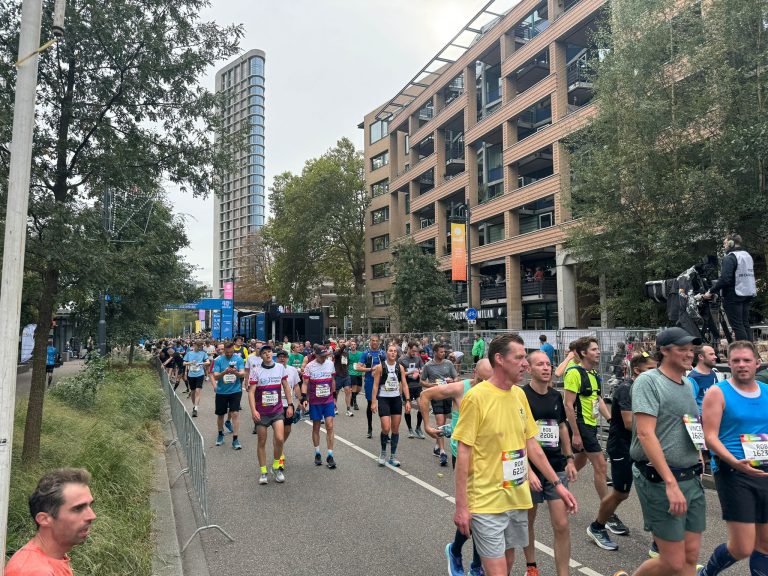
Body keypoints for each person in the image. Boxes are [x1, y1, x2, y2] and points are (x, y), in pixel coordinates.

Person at [452, 334, 578, 576]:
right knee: (498, 571)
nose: (525, 364)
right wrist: (461, 506)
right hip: (486, 501)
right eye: (519, 357)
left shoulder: (519, 395)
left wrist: (557, 483)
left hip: (516, 497)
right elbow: (464, 453)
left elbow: (530, 443)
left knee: (508, 565)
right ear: (499, 359)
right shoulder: (476, 397)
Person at [617, 327, 706, 576]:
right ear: (664, 351)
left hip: (691, 476)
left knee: (690, 557)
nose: (690, 354)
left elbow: (690, 424)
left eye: (691, 349)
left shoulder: (688, 384)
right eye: (682, 349)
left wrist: (698, 457)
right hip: (661, 479)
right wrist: (670, 482)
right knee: (672, 561)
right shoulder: (648, 381)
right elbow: (645, 433)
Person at [698, 340, 768, 576]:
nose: (741, 365)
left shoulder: (767, 391)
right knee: (742, 546)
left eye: (746, 360)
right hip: (733, 471)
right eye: (736, 360)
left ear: (757, 363)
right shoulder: (718, 393)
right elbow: (710, 436)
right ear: (728, 363)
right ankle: (706, 573)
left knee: (766, 544)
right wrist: (733, 461)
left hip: (764, 470)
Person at [420, 359, 493, 576]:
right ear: (475, 376)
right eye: (482, 379)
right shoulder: (461, 388)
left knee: (486, 513)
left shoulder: (498, 389)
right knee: (476, 513)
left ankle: (472, 563)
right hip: (463, 454)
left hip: (489, 456)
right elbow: (425, 396)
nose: (485, 384)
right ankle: (458, 552)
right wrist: (427, 425)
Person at [587, 352, 657, 552]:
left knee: (654, 492)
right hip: (622, 447)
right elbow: (629, 423)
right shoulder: (626, 389)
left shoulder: (651, 388)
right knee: (621, 493)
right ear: (637, 370)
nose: (655, 374)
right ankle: (598, 526)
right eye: (651, 369)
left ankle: (659, 542)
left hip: (643, 447)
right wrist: (660, 426)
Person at [522, 351, 577, 576]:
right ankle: (531, 566)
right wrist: (527, 471)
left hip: (555, 466)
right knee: (528, 520)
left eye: (548, 364)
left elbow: (561, 426)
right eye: (540, 364)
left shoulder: (556, 396)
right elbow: (515, 435)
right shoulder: (521, 396)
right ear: (529, 369)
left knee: (562, 525)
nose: (546, 368)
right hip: (530, 469)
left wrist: (570, 458)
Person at [5, 468, 96, 576]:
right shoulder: (34, 571)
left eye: (90, 505)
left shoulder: (53, 558)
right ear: (44, 519)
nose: (92, 516)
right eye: (78, 508)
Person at [564, 337, 613, 507]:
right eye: (593, 349)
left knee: (581, 461)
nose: (598, 352)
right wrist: (576, 434)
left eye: (597, 349)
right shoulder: (574, 373)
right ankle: (607, 511)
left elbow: (597, 399)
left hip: (591, 425)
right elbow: (568, 405)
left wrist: (610, 419)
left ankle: (556, 484)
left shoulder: (592, 374)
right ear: (583, 353)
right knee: (601, 465)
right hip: (581, 425)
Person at [248, 345, 293, 485]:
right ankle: (263, 472)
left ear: (272, 354)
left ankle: (276, 467)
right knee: (262, 441)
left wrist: (290, 404)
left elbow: (285, 386)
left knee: (279, 439)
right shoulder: (256, 370)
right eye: (264, 353)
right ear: (260, 356)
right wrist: (253, 410)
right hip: (262, 412)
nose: (267, 354)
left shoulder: (280, 367)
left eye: (269, 352)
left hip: (277, 410)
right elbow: (251, 392)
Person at [704, 233, 756, 341]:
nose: (724, 245)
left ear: (731, 243)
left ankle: (743, 352)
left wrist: (711, 291)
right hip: (747, 293)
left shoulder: (730, 257)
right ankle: (750, 353)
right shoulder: (747, 256)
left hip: (734, 294)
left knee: (737, 326)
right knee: (745, 324)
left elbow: (725, 279)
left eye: (725, 243)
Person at [371, 343, 409, 467]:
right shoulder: (380, 367)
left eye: (395, 351)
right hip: (383, 399)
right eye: (390, 351)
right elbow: (375, 385)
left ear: (397, 354)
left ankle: (392, 456)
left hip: (396, 400)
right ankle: (382, 453)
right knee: (386, 428)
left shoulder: (400, 367)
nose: (393, 353)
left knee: (396, 429)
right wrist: (373, 402)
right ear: (386, 353)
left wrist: (407, 400)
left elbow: (404, 384)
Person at [301, 345, 337, 469]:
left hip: (328, 400)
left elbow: (332, 380)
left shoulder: (330, 364)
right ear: (315, 355)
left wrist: (334, 395)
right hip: (315, 401)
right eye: (321, 356)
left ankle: (330, 455)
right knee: (316, 427)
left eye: (325, 356)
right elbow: (305, 383)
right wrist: (304, 398)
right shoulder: (310, 366)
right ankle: (317, 453)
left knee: (330, 426)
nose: (323, 358)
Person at [422, 343, 458, 467]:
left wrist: (452, 381)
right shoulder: (428, 365)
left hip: (448, 396)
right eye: (441, 352)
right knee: (440, 422)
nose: (443, 354)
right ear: (435, 352)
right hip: (436, 397)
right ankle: (443, 452)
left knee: (449, 422)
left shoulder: (448, 363)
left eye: (444, 352)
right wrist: (432, 386)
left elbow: (456, 378)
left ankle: (437, 445)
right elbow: (422, 380)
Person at [211, 341, 246, 450]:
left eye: (231, 352)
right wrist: (224, 373)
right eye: (227, 352)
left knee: (235, 413)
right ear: (223, 350)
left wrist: (235, 372)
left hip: (235, 391)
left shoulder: (238, 359)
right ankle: (220, 433)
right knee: (221, 415)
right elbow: (216, 376)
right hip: (222, 392)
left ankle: (235, 439)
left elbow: (243, 373)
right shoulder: (219, 360)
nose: (229, 354)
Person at [354, 335, 387, 439]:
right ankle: (370, 428)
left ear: (379, 342)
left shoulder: (382, 353)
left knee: (383, 405)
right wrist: (370, 369)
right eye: (373, 341)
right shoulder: (366, 353)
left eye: (376, 341)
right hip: (370, 382)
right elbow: (358, 367)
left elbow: (388, 365)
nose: (374, 342)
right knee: (370, 404)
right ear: (370, 342)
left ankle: (385, 431)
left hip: (382, 382)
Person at [276, 349, 301, 469]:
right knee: (278, 432)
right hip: (275, 404)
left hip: (288, 404)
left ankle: (279, 446)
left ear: (287, 358)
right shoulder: (272, 369)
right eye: (280, 356)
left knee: (288, 430)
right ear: (276, 358)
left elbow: (296, 385)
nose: (282, 358)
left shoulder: (292, 370)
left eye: (284, 357)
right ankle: (279, 455)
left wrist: (301, 400)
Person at [400, 342, 425, 439]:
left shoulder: (418, 358)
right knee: (408, 409)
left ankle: (418, 428)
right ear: (408, 349)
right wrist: (410, 372)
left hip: (417, 386)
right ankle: (410, 429)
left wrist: (419, 371)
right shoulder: (402, 359)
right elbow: (400, 374)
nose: (414, 353)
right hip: (407, 387)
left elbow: (423, 368)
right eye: (413, 350)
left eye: (416, 351)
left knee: (422, 407)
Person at [687, 345, 719, 414]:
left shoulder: (712, 373)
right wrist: (695, 424)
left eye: (714, 354)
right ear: (701, 357)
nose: (715, 357)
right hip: (701, 419)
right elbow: (689, 406)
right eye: (711, 354)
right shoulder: (692, 378)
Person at [183, 340, 210, 417]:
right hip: (191, 375)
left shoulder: (203, 353)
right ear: (194, 345)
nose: (200, 347)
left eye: (201, 346)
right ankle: (194, 405)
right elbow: (184, 363)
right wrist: (190, 363)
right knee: (193, 392)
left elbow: (208, 362)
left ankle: (195, 408)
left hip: (200, 374)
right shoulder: (189, 353)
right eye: (198, 345)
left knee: (198, 391)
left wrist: (201, 363)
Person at [333, 339, 354, 417]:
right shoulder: (336, 352)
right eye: (341, 342)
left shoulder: (346, 353)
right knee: (336, 393)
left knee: (348, 391)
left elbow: (346, 363)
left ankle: (348, 409)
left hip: (346, 375)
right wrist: (345, 345)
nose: (342, 343)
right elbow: (337, 353)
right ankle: (335, 408)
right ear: (338, 344)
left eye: (343, 342)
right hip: (338, 376)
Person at [348, 340, 363, 411]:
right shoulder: (348, 354)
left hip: (359, 372)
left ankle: (352, 398)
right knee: (354, 387)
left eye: (354, 344)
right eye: (352, 344)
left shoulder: (360, 353)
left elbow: (364, 360)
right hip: (351, 373)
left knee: (359, 389)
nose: (353, 345)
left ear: (356, 346)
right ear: (350, 346)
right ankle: (355, 403)